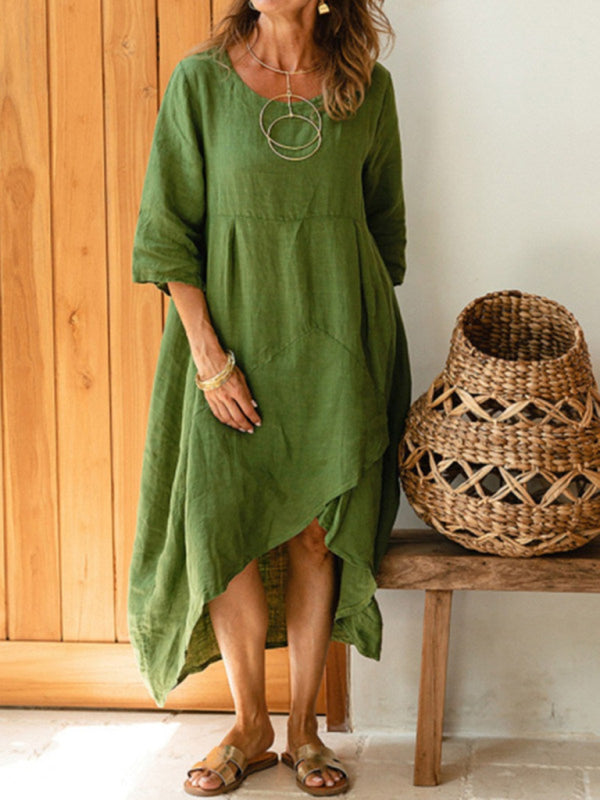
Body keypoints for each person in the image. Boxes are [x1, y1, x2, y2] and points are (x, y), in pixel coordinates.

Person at [127, 0, 411, 795]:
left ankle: (304, 730)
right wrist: (208, 357)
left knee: (319, 535)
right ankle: (249, 725)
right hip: (228, 346)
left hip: (336, 346)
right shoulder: (200, 82)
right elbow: (166, 230)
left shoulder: (368, 88)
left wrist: (355, 342)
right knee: (225, 529)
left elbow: (384, 228)